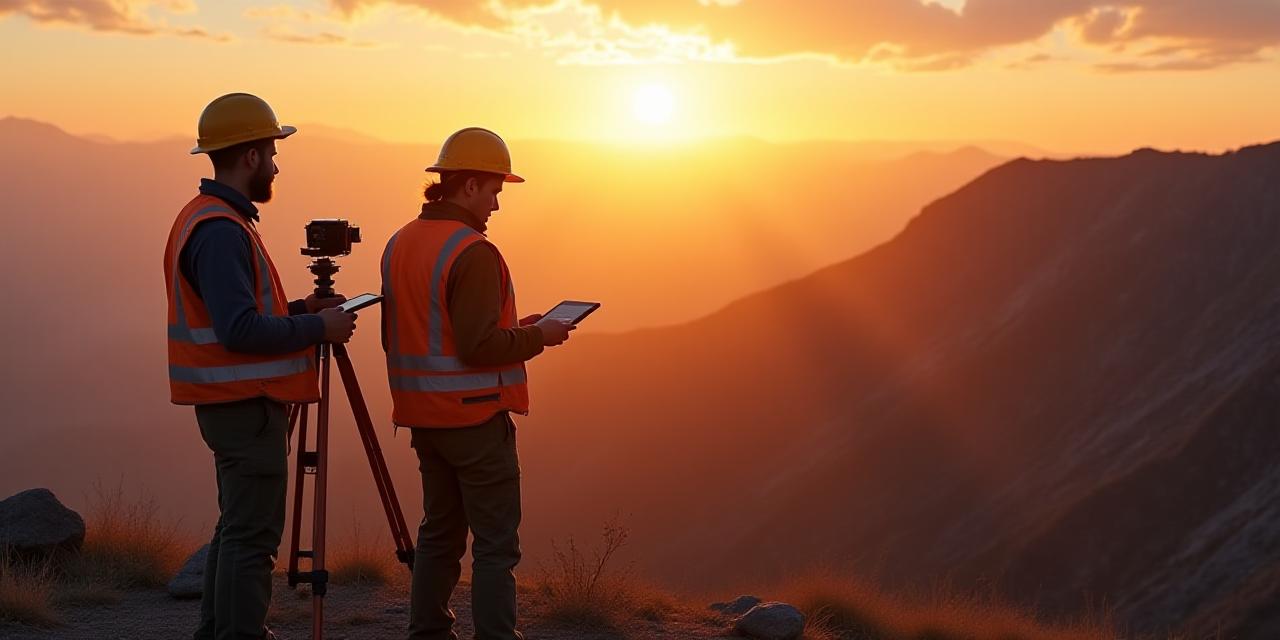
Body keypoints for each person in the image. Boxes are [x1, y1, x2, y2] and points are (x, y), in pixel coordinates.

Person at [163, 92, 356, 640]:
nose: (276, 163)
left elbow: (244, 312)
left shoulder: (208, 218)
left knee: (236, 528)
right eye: (271, 151)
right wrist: (319, 329)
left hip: (229, 404)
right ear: (248, 156)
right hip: (244, 406)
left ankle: (218, 632)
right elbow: (240, 331)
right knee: (253, 538)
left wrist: (300, 311)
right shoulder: (222, 230)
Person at [381, 127, 574, 640]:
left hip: (422, 415)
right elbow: (477, 347)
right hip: (474, 417)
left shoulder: (401, 242)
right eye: (493, 191)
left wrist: (519, 327)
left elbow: (425, 330)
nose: (496, 205)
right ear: (467, 186)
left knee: (439, 534)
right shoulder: (473, 252)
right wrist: (540, 336)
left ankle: (428, 632)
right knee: (495, 545)